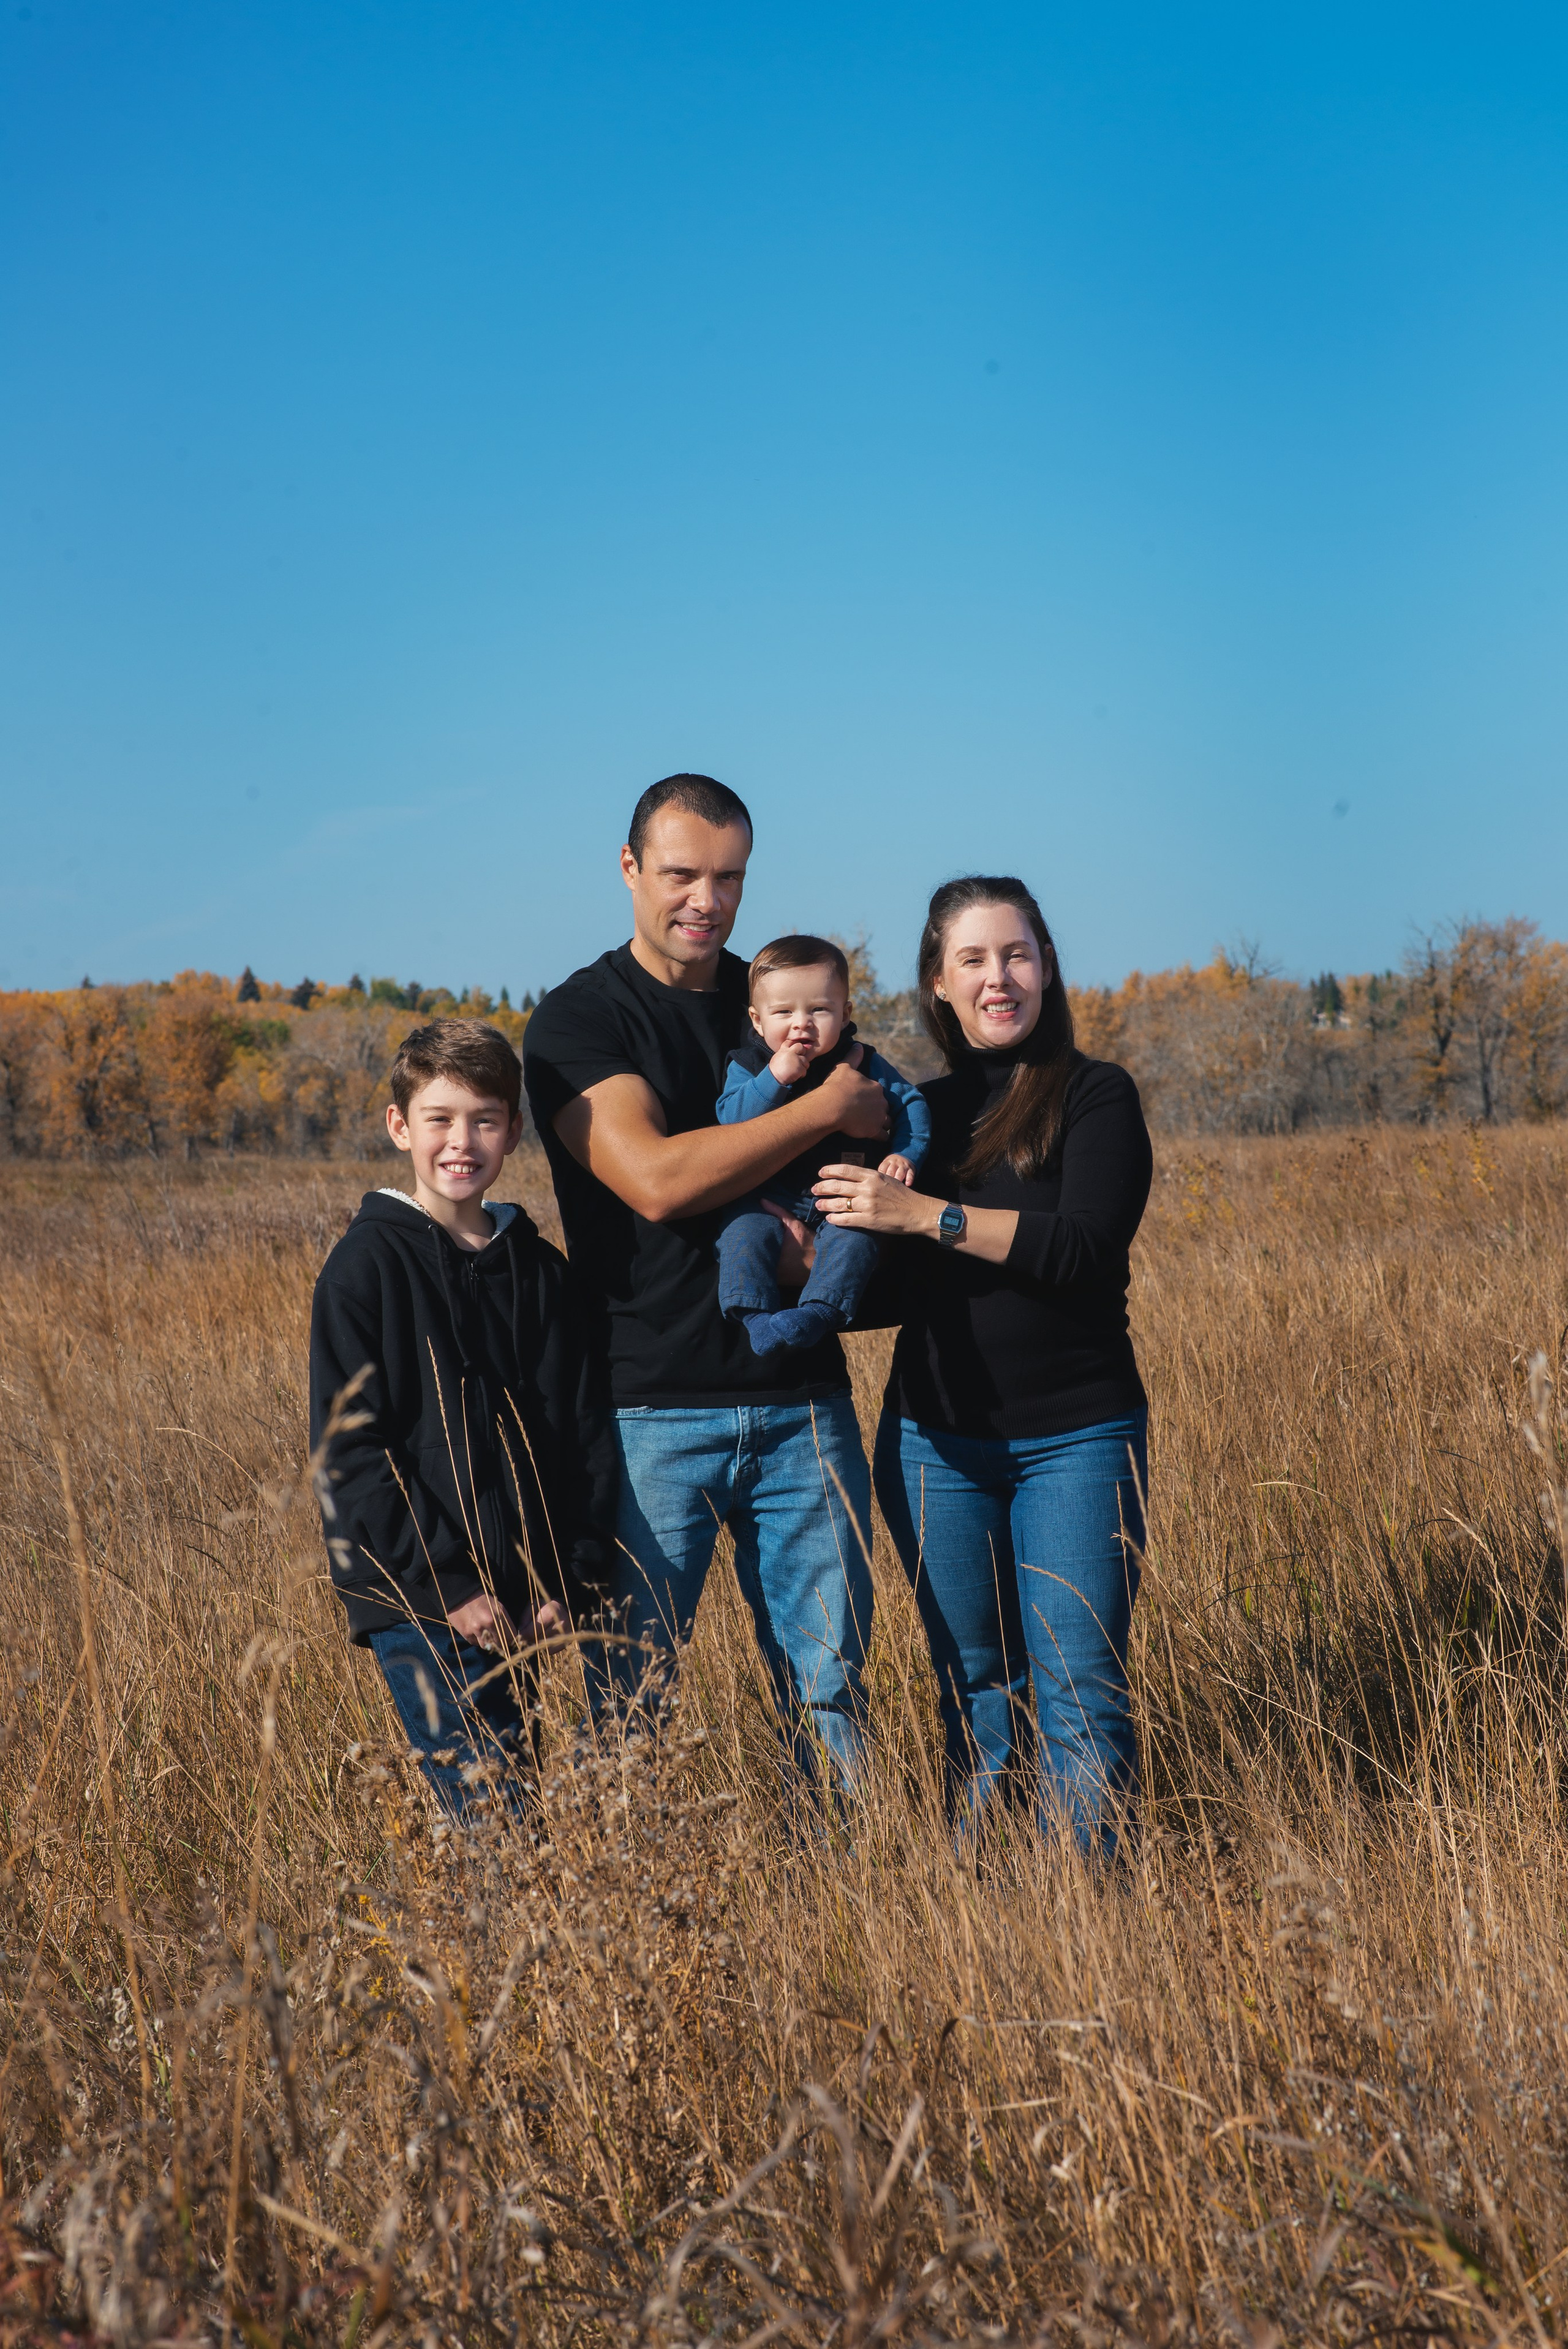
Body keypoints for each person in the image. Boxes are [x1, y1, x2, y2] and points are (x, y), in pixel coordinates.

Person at [521, 775, 891, 1785]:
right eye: (681, 874)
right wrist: (822, 1114)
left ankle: (847, 1914)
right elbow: (654, 1178)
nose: (706, 901)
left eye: (729, 879)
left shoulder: (778, 999)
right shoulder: (577, 1022)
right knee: (627, 1700)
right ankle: (628, 1920)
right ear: (630, 868)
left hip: (802, 1400)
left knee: (831, 1692)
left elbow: (882, 1135)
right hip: (648, 1410)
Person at [811, 876, 1153, 1856]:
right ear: (938, 983)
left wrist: (926, 1216)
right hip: (933, 1446)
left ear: (1046, 966)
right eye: (974, 959)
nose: (999, 977)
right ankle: (990, 1909)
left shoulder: (1096, 1094)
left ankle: (1084, 1916)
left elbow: (1082, 1246)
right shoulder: (916, 1115)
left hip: (1077, 1440)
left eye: (1017, 953)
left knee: (1079, 1685)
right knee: (975, 1687)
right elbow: (889, 1285)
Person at [309, 1019, 616, 1821]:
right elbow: (352, 1449)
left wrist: (564, 1579)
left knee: (514, 1787)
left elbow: (578, 1428)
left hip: (520, 1592)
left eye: (484, 1118)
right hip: (419, 1593)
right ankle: (502, 1947)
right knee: (490, 1809)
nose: (462, 1140)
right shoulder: (365, 1266)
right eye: (440, 1118)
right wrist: (446, 1583)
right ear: (400, 1125)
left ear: (514, 1130)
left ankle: (511, 1946)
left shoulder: (536, 1270)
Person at [715, 933, 931, 1356]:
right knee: (742, 1233)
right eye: (784, 1012)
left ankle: (818, 1312)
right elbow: (731, 1121)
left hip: (843, 1198)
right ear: (757, 1021)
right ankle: (756, 1318)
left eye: (819, 1009)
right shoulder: (749, 1065)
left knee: (857, 1240)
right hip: (768, 1198)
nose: (802, 1023)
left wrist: (905, 1154)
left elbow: (912, 1104)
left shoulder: (863, 1060)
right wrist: (774, 1079)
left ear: (845, 1012)